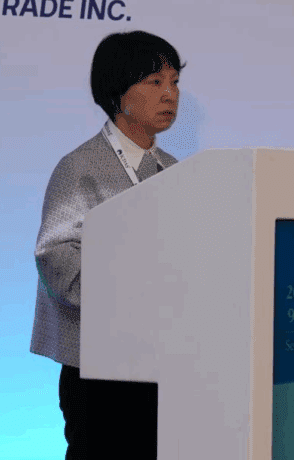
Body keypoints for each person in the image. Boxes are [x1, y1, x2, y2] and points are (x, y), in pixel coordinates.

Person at [30, 30, 186, 460]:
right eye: (155, 82)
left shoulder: (176, 171)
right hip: (97, 369)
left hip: (165, 363)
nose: (170, 94)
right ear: (118, 91)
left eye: (174, 82)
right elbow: (55, 257)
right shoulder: (79, 167)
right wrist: (129, 296)